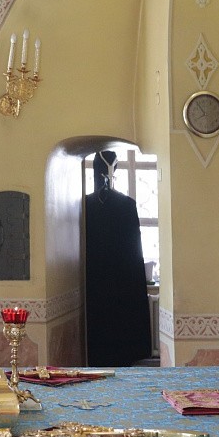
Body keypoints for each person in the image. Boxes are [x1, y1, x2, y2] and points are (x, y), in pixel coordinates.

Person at [85, 150, 152, 366]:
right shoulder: (121, 205)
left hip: (100, 286)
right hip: (114, 287)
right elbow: (134, 254)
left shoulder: (91, 205)